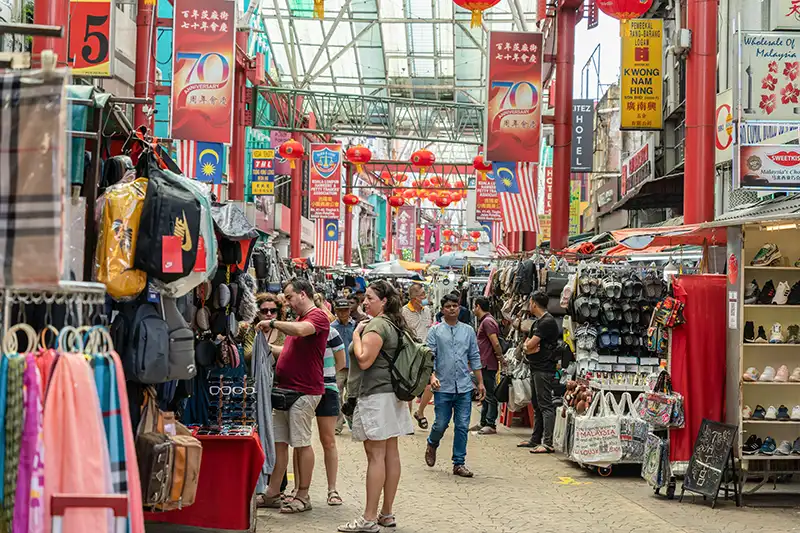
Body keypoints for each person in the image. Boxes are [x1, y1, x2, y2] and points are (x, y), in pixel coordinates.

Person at [338, 280, 414, 533]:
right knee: (390, 453)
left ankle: (368, 518)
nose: (364, 301)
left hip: (375, 395)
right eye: (366, 297)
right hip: (391, 395)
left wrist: (358, 335)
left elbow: (364, 359)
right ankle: (386, 513)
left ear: (383, 301)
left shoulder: (377, 325)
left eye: (370, 297)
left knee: (376, 456)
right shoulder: (393, 323)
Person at [258, 278, 330, 513]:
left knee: (301, 443)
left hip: (304, 391)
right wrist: (264, 348)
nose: (287, 303)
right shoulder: (299, 319)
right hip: (286, 391)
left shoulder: (316, 316)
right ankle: (273, 492)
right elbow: (287, 350)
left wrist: (274, 323)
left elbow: (301, 331)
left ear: (302, 294)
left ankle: (303, 494)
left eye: (289, 297)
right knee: (280, 443)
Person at [424, 294, 485, 478]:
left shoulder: (468, 331)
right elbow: (429, 358)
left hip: (464, 387)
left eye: (455, 306)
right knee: (441, 423)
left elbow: (474, 356)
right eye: (448, 306)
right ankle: (432, 443)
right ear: (442, 309)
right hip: (443, 386)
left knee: (462, 425)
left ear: (459, 308)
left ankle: (459, 463)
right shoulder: (435, 332)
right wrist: (432, 377)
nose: (452, 309)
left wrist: (480, 382)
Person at [518, 290, 561, 454]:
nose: (529, 304)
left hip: (544, 368)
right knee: (537, 404)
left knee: (545, 405)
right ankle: (535, 439)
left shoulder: (546, 322)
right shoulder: (539, 321)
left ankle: (548, 443)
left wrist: (528, 347)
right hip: (536, 367)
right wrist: (528, 347)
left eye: (530, 302)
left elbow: (529, 345)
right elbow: (528, 345)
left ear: (534, 303)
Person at [401, 283, 434, 430]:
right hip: (410, 354)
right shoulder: (404, 311)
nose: (425, 297)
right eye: (422, 295)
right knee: (409, 387)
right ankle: (407, 422)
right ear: (414, 298)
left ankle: (419, 412)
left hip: (426, 353)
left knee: (430, 386)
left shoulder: (427, 311)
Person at [472, 297, 504, 434]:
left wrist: (500, 357)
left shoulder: (488, 322)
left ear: (478, 306)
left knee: (490, 394)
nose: (473, 309)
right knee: (484, 393)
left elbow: (495, 343)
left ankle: (491, 423)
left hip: (488, 363)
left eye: (474, 307)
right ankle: (483, 421)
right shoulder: (486, 321)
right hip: (483, 362)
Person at [332, 298, 357, 434]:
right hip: (338, 367)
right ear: (336, 311)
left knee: (352, 396)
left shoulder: (356, 326)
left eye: (345, 310)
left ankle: (352, 421)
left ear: (349, 310)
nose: (343, 313)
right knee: (337, 396)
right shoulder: (332, 327)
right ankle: (337, 424)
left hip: (354, 366)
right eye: (340, 311)